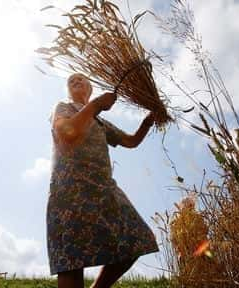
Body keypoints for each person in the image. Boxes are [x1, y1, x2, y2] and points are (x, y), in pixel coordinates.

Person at [47, 73, 159, 288]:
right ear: (68, 91)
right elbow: (67, 132)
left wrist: (147, 122)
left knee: (138, 238)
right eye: (71, 81)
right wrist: (97, 104)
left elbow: (130, 141)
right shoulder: (63, 107)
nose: (76, 81)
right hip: (70, 189)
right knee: (71, 259)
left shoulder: (99, 120)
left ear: (90, 87)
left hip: (103, 188)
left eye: (81, 79)